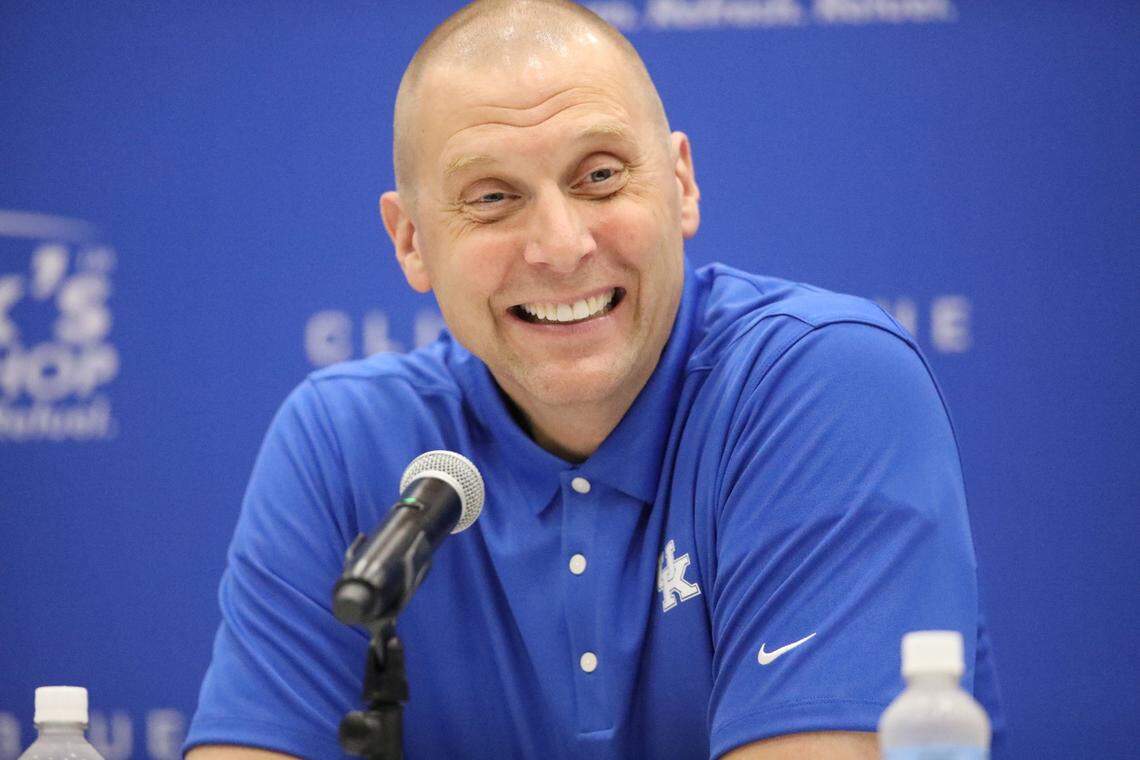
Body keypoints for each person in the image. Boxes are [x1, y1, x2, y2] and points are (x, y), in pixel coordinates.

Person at [183, 1, 1002, 758]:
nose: (561, 244)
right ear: (410, 241)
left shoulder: (824, 385)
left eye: (600, 175)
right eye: (493, 197)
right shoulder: (341, 442)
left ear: (680, 183)